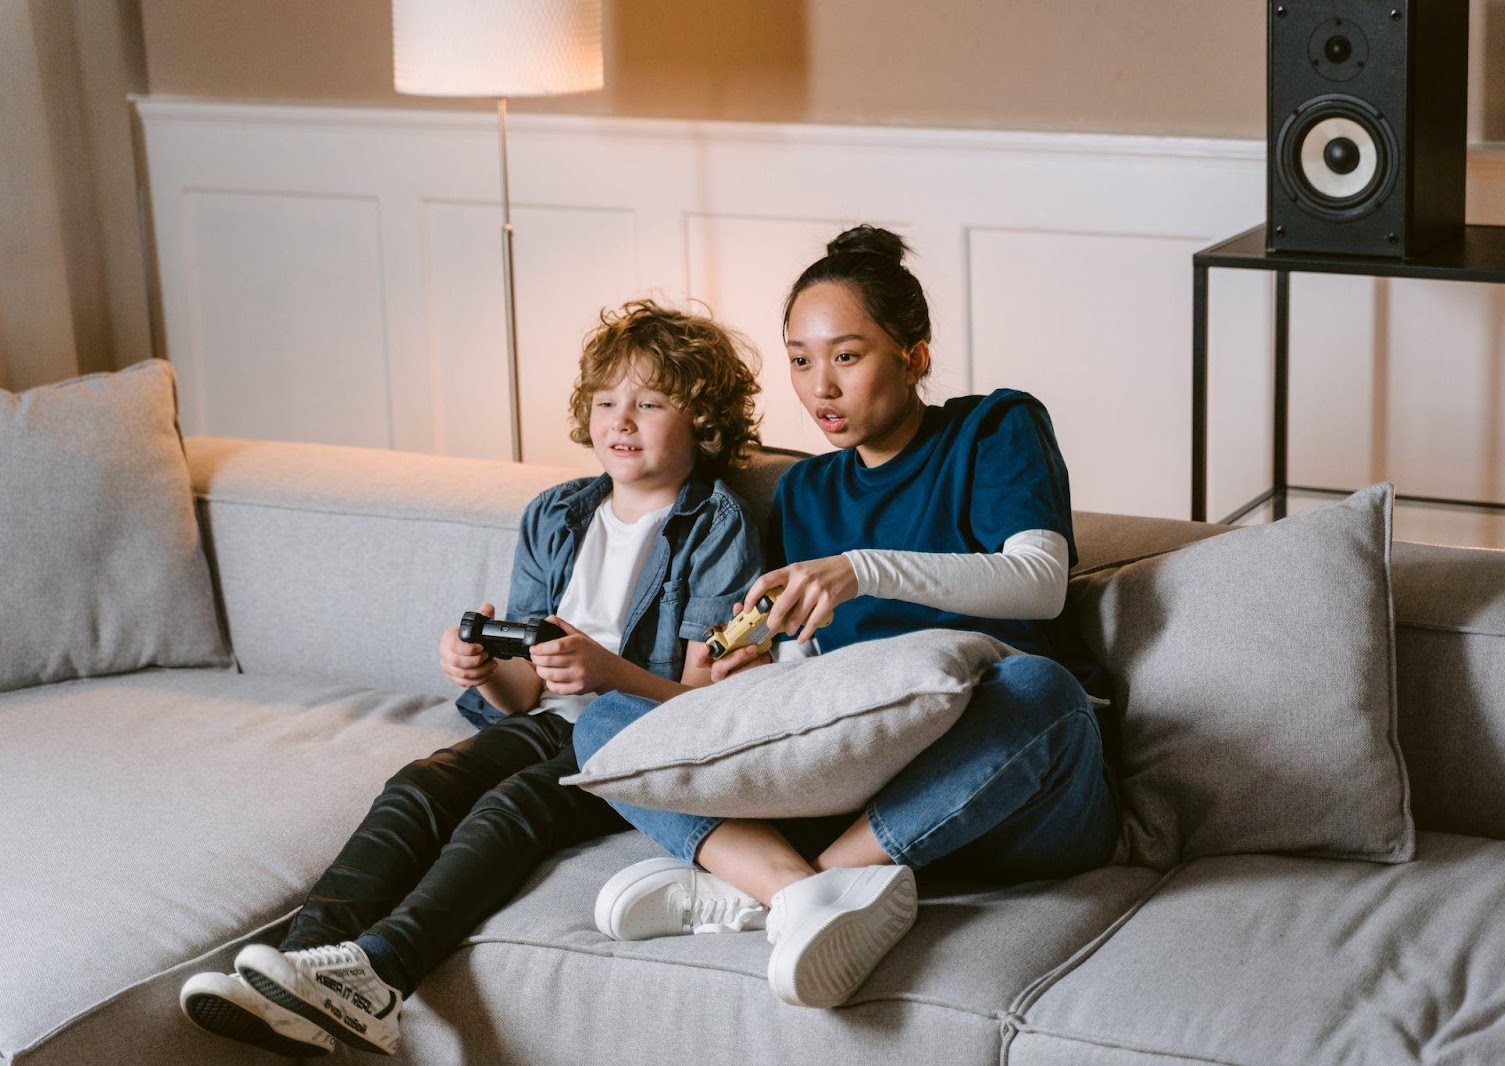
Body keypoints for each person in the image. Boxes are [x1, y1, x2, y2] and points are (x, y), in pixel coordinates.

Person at [178, 300, 766, 1057]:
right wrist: (484, 668)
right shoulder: (556, 515)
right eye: (607, 401)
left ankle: (379, 976)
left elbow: (702, 704)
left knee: (513, 806)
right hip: (545, 720)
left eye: (651, 404)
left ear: (704, 423)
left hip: (633, 737)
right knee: (420, 785)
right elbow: (521, 694)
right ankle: (298, 968)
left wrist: (605, 668)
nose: (623, 420)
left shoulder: (715, 524)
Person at [571, 226, 1118, 1010]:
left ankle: (778, 892)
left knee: (1041, 690)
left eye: (847, 356)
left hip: (1016, 789)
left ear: (915, 355)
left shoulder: (994, 429)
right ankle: (804, 891)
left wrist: (863, 569)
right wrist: (751, 668)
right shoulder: (804, 493)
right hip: (862, 783)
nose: (819, 387)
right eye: (800, 360)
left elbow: (1040, 584)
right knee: (603, 725)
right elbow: (814, 670)